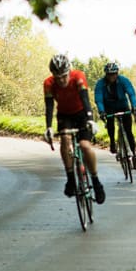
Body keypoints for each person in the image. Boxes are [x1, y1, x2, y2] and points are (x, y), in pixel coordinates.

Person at [44, 54, 105, 204]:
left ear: (69, 72)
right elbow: (49, 106)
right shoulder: (48, 83)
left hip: (81, 113)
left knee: (85, 145)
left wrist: (90, 120)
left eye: (64, 76)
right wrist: (49, 127)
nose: (61, 80)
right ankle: (71, 178)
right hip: (65, 115)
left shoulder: (78, 76)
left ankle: (96, 182)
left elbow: (85, 99)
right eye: (57, 77)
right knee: (65, 139)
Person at [94, 62, 136, 168]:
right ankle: (112, 142)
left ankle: (134, 155)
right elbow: (99, 98)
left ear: (117, 73)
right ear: (106, 74)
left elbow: (131, 93)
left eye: (114, 74)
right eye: (109, 74)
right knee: (110, 124)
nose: (112, 76)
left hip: (123, 106)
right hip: (109, 107)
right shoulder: (100, 84)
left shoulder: (123, 80)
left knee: (128, 132)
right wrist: (101, 111)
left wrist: (134, 106)